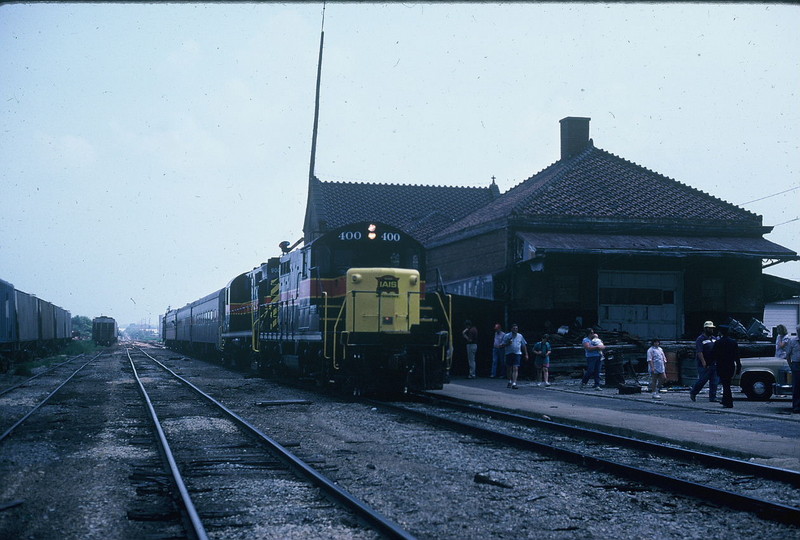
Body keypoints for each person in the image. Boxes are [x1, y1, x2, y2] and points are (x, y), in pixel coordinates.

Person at [712, 325, 741, 408]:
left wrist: (710, 363)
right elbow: (737, 356)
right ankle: (726, 400)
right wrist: (738, 366)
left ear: (721, 332)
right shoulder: (733, 342)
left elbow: (714, 354)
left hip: (721, 366)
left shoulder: (718, 343)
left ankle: (728, 402)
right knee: (727, 384)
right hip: (730, 366)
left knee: (725, 385)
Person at [689, 321, 719, 402]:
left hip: (713, 363)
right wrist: (703, 362)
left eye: (712, 329)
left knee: (714, 381)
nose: (712, 330)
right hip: (704, 364)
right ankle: (693, 392)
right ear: (706, 329)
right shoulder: (700, 339)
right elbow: (699, 351)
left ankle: (713, 397)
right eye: (710, 328)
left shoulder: (714, 339)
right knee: (703, 380)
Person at [503, 323, 528, 390]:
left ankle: (514, 383)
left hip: (517, 353)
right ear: (511, 329)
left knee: (515, 368)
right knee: (509, 368)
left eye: (516, 328)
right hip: (509, 353)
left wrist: (526, 354)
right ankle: (509, 381)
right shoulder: (507, 336)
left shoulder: (520, 336)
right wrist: (508, 343)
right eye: (514, 328)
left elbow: (523, 345)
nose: (515, 330)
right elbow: (502, 345)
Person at [783, 325, 800, 414]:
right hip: (796, 364)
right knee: (796, 387)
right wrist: (791, 366)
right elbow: (788, 355)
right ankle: (796, 406)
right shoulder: (792, 341)